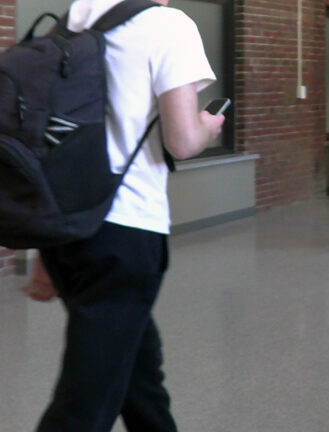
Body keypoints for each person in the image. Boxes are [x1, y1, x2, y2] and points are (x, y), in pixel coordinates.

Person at [31, 0, 225, 430]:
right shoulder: (167, 24)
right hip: (125, 234)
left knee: (139, 378)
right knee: (85, 404)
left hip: (68, 228)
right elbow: (181, 140)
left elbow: (53, 142)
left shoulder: (71, 21)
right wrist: (209, 126)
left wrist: (46, 249)